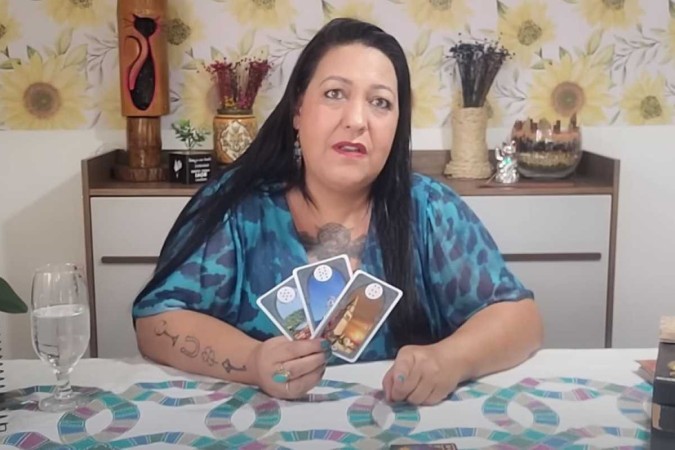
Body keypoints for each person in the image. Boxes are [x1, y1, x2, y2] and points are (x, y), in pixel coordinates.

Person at [132, 18, 543, 406]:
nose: (357, 120)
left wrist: (451, 359)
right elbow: (156, 322)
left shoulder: (430, 209)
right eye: (334, 94)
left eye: (380, 102)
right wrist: (253, 362)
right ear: (298, 109)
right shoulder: (236, 206)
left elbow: (521, 320)